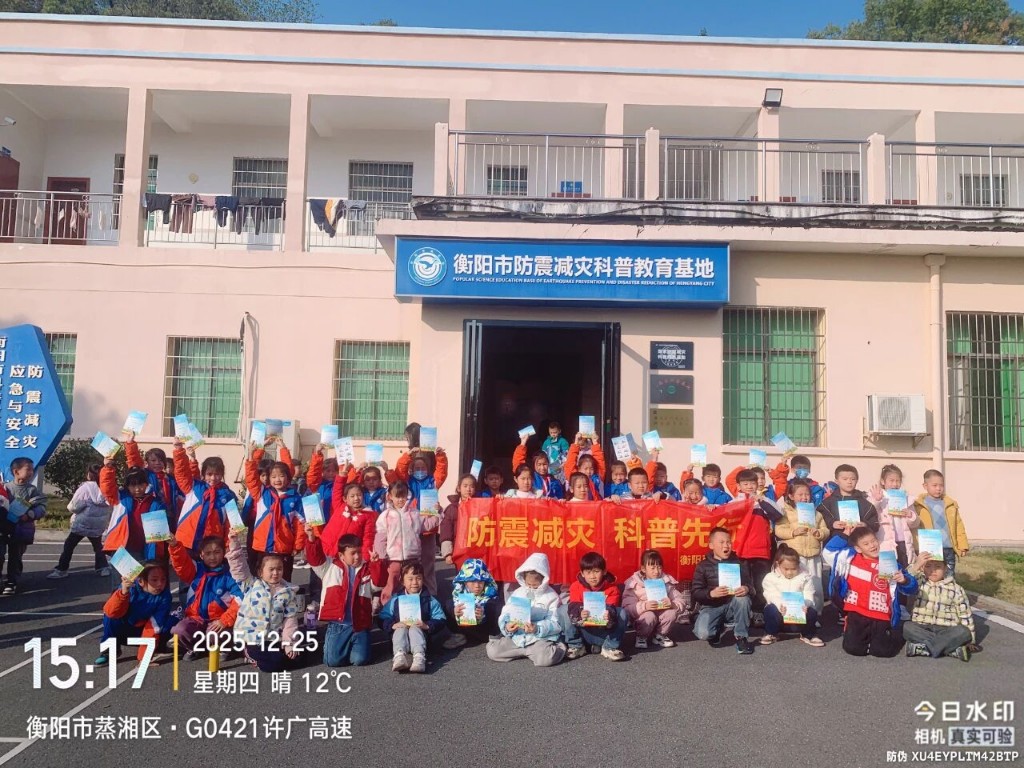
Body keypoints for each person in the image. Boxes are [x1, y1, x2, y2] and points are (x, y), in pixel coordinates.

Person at [830, 527, 917, 658]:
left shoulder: (888, 562)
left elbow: (912, 588)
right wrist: (844, 535)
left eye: (873, 541)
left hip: (881, 614)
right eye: (866, 544)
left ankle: (894, 634)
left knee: (883, 652)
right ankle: (853, 631)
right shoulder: (849, 559)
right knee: (853, 649)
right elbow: (829, 550)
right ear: (858, 548)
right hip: (857, 612)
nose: (872, 545)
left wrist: (904, 580)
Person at [225, 533, 301, 672]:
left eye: (279, 569)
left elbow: (290, 621)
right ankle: (247, 652)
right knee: (272, 664)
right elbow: (238, 567)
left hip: (273, 638)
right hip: (252, 639)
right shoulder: (251, 585)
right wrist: (234, 543)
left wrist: (289, 644)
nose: (276, 573)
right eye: (271, 569)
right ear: (260, 572)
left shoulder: (288, 592)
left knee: (296, 658)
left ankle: (274, 657)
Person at [306, 533, 380, 668]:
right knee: (333, 662)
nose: (357, 556)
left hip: (359, 624)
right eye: (353, 553)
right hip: (338, 625)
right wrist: (311, 539)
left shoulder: (367, 568)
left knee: (360, 660)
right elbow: (314, 558)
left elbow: (379, 584)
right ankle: (339, 644)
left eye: (359, 552)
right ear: (341, 555)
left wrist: (376, 564)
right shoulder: (329, 566)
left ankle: (356, 642)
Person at [167, 535, 242, 661]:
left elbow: (239, 600)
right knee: (179, 630)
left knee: (214, 634)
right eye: (208, 553)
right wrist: (174, 546)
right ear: (201, 555)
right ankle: (196, 648)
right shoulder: (196, 570)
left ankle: (226, 648)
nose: (212, 557)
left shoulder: (230, 574)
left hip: (219, 620)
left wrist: (224, 620)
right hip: (197, 619)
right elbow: (181, 563)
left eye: (217, 552)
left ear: (224, 553)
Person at [486, 552, 566, 667]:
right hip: (517, 637)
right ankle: (524, 652)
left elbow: (556, 623)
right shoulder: (518, 593)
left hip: (538, 639)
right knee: (493, 652)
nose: (531, 588)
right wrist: (507, 626)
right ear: (523, 580)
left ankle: (557, 648)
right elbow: (506, 612)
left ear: (544, 581)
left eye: (535, 585)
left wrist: (537, 628)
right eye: (528, 584)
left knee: (545, 659)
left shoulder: (551, 596)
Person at [244, 438, 306, 581]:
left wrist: (298, 545)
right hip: (263, 547)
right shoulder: (262, 493)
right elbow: (251, 477)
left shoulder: (295, 498)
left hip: (284, 548)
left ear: (288, 477)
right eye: (273, 476)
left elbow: (300, 524)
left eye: (281, 476)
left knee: (284, 580)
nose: (277, 479)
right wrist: (255, 453)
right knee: (262, 580)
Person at [96, 561, 174, 666]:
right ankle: (109, 651)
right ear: (141, 581)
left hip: (140, 633)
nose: (160, 584)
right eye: (154, 580)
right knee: (110, 617)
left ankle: (159, 646)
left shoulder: (165, 596)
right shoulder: (130, 588)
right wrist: (123, 592)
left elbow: (154, 625)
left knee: (172, 621)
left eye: (163, 579)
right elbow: (111, 612)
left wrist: (144, 657)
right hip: (123, 630)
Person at [731, 468, 783, 623]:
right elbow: (721, 516)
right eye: (745, 484)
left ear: (758, 484)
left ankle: (758, 611)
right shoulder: (734, 502)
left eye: (752, 483)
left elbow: (778, 515)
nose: (749, 486)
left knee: (760, 583)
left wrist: (761, 500)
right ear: (738, 486)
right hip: (740, 550)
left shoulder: (764, 501)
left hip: (761, 550)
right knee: (741, 583)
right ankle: (741, 612)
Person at [691, 527, 754, 654]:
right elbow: (695, 592)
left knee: (743, 599)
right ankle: (716, 628)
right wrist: (711, 593)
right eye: (721, 542)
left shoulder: (739, 563)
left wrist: (747, 588)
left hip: (732, 605)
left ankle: (741, 637)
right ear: (711, 545)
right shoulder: (703, 566)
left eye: (728, 542)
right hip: (711, 607)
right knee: (703, 633)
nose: (726, 545)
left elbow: (752, 587)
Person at [394, 448, 448, 593]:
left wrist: (440, 455)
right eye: (417, 468)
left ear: (428, 469)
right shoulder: (406, 482)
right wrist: (408, 455)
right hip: (410, 528)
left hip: (428, 530)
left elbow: (442, 471)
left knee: (428, 563)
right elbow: (400, 470)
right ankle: (408, 594)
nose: (420, 470)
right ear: (411, 470)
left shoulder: (433, 482)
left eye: (423, 468)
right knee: (409, 564)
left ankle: (431, 595)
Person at [99, 459, 170, 567]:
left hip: (145, 550)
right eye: (133, 485)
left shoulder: (155, 504)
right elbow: (107, 487)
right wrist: (108, 468)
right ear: (127, 486)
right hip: (121, 549)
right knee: (125, 578)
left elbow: (158, 537)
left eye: (141, 484)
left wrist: (156, 557)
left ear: (146, 484)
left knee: (144, 578)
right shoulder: (120, 498)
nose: (137, 489)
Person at [772, 478, 830, 612]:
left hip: (814, 556)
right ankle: (794, 612)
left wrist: (819, 533)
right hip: (796, 556)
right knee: (797, 585)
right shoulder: (786, 513)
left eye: (807, 494)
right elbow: (779, 530)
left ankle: (815, 613)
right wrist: (793, 532)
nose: (804, 497)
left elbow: (825, 530)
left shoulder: (816, 513)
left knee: (815, 586)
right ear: (791, 496)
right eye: (800, 494)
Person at [380, 561, 448, 674]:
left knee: (415, 628)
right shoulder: (396, 599)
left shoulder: (429, 600)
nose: (415, 582)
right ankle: (399, 656)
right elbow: (383, 616)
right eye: (410, 579)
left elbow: (441, 618)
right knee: (400, 628)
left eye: (418, 578)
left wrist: (427, 625)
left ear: (423, 579)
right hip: (399, 637)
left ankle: (419, 657)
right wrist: (392, 625)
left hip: (421, 638)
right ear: (402, 581)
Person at [904, 556, 974, 661]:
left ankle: (923, 648)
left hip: (947, 629)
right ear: (922, 568)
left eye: (938, 567)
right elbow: (905, 580)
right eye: (928, 566)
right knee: (906, 626)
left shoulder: (956, 589)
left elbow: (965, 614)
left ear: (945, 568)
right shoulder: (919, 583)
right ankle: (950, 649)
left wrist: (970, 641)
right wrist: (916, 565)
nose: (933, 570)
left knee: (964, 632)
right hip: (923, 627)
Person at [48, 464, 111, 579]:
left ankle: (62, 569)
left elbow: (74, 506)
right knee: (98, 547)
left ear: (89, 475)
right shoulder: (107, 487)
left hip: (83, 523)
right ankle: (103, 568)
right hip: (98, 524)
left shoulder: (85, 488)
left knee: (69, 545)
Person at [562, 551, 627, 661]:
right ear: (582, 573)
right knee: (563, 609)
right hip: (584, 631)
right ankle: (576, 645)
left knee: (622, 612)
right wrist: (580, 612)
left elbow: (611, 607)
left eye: (596, 571)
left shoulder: (612, 588)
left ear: (604, 571)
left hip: (604, 632)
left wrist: (609, 615)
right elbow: (573, 606)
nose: (592, 576)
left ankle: (609, 647)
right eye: (588, 572)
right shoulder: (575, 586)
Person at [173, 441, 237, 553]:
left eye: (217, 474)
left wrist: (228, 545)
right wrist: (179, 450)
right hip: (187, 541)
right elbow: (181, 473)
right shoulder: (195, 487)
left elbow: (231, 524)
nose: (213, 478)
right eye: (209, 474)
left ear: (222, 474)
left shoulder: (228, 495)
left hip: (212, 545)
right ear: (203, 474)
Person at [759, 545, 824, 647]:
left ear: (798, 564)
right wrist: (780, 605)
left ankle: (808, 634)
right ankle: (771, 633)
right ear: (778, 564)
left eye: (793, 569)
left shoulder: (805, 577)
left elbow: (809, 594)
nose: (789, 572)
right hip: (781, 614)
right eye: (786, 569)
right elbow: (770, 594)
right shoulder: (770, 577)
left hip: (799, 617)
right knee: (770, 609)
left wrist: (806, 604)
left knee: (812, 612)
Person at [622, 549, 687, 649]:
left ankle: (660, 635)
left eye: (659, 567)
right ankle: (641, 636)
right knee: (649, 616)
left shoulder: (667, 581)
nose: (656, 571)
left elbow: (680, 600)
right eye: (652, 568)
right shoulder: (634, 583)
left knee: (671, 613)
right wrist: (644, 606)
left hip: (662, 615)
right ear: (643, 569)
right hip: (643, 619)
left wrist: (672, 604)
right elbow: (627, 607)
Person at [1, 457, 47, 595]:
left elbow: (41, 507)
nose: (31, 472)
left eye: (32, 469)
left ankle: (12, 581)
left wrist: (30, 515)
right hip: (3, 528)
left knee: (16, 556)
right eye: (28, 469)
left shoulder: (32, 490)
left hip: (21, 529)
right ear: (16, 471)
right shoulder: (5, 488)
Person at [913, 469, 969, 578]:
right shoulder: (918, 505)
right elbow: (915, 529)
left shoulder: (950, 504)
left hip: (948, 548)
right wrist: (916, 546)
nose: (938, 488)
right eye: (934, 485)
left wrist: (963, 545)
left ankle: (949, 588)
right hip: (930, 549)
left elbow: (958, 525)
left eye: (941, 485)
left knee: (949, 576)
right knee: (930, 576)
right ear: (925, 486)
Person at [373, 480, 423, 604]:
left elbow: (427, 524)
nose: (400, 500)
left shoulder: (414, 513)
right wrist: (381, 555)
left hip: (411, 557)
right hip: (393, 558)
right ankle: (387, 608)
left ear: (407, 495)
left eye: (403, 496)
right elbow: (380, 537)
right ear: (390, 496)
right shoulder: (385, 516)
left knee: (411, 584)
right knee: (391, 583)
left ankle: (412, 608)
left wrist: (436, 512)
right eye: (397, 496)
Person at [818, 463, 881, 554]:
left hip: (859, 549)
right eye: (845, 479)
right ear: (837, 481)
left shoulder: (865, 504)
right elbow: (819, 520)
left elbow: (875, 524)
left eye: (853, 479)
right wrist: (832, 523)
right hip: (836, 547)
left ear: (857, 480)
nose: (849, 482)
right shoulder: (827, 503)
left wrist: (865, 524)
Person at [867, 464, 918, 570]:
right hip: (886, 542)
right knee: (889, 572)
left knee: (906, 570)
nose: (895, 484)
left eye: (898, 481)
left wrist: (910, 515)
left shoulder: (906, 499)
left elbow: (915, 523)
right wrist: (876, 501)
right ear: (883, 481)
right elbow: (869, 515)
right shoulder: (877, 496)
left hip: (904, 543)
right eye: (891, 480)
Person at [123, 432, 183, 518]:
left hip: (169, 515)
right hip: (151, 515)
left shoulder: (170, 479)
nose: (157, 463)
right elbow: (134, 461)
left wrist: (179, 449)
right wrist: (130, 443)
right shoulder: (144, 475)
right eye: (153, 461)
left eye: (161, 460)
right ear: (146, 462)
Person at [320, 482, 377, 562]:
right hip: (325, 548)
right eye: (352, 496)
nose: (356, 498)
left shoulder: (367, 515)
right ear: (345, 499)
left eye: (359, 495)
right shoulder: (339, 506)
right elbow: (337, 489)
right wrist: (342, 476)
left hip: (346, 556)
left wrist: (366, 557)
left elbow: (368, 538)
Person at [450, 557, 501, 643]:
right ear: (465, 582)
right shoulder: (459, 591)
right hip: (465, 627)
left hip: (484, 631)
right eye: (472, 581)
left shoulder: (491, 594)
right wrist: (455, 611)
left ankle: (494, 638)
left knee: (496, 607)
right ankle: (460, 636)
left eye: (481, 581)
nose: (477, 586)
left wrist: (483, 616)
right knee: (448, 605)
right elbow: (453, 604)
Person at [512, 434, 565, 499]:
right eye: (539, 464)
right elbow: (518, 463)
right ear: (533, 465)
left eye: (544, 464)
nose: (542, 468)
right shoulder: (531, 478)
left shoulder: (554, 482)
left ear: (548, 464)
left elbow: (560, 500)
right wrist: (523, 443)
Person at [440, 474, 476, 564]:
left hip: (476, 550)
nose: (468, 489)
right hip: (458, 550)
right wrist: (448, 553)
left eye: (471, 486)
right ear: (459, 488)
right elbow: (446, 531)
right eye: (465, 486)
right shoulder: (452, 508)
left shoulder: (480, 507)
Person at [564, 433, 606, 499]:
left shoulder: (597, 478)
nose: (588, 471)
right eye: (585, 468)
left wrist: (595, 443)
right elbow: (570, 463)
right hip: (578, 505)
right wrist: (576, 442)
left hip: (594, 505)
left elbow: (600, 462)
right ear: (579, 469)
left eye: (591, 468)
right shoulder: (574, 478)